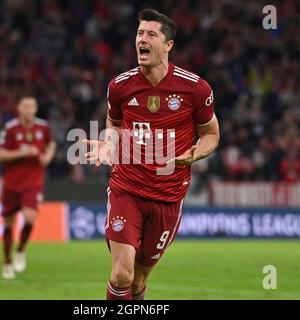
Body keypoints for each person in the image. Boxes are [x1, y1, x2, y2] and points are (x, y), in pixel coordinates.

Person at [84, 9, 220, 300]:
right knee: (122, 273)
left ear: (168, 45)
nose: (141, 40)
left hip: (168, 196)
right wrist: (108, 142)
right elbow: (114, 124)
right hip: (127, 188)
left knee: (138, 279)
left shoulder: (196, 89)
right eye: (139, 33)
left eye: (150, 34)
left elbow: (211, 134)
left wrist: (196, 153)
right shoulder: (120, 86)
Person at [0, 96, 56, 279]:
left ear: (36, 109)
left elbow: (51, 143)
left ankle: (20, 249)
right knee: (9, 222)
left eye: (32, 106)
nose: (29, 109)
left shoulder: (43, 127)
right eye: (25, 106)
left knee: (30, 218)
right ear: (19, 109)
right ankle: (7, 260)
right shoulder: (10, 128)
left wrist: (48, 156)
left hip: (33, 182)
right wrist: (23, 152)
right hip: (12, 183)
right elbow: (1, 154)